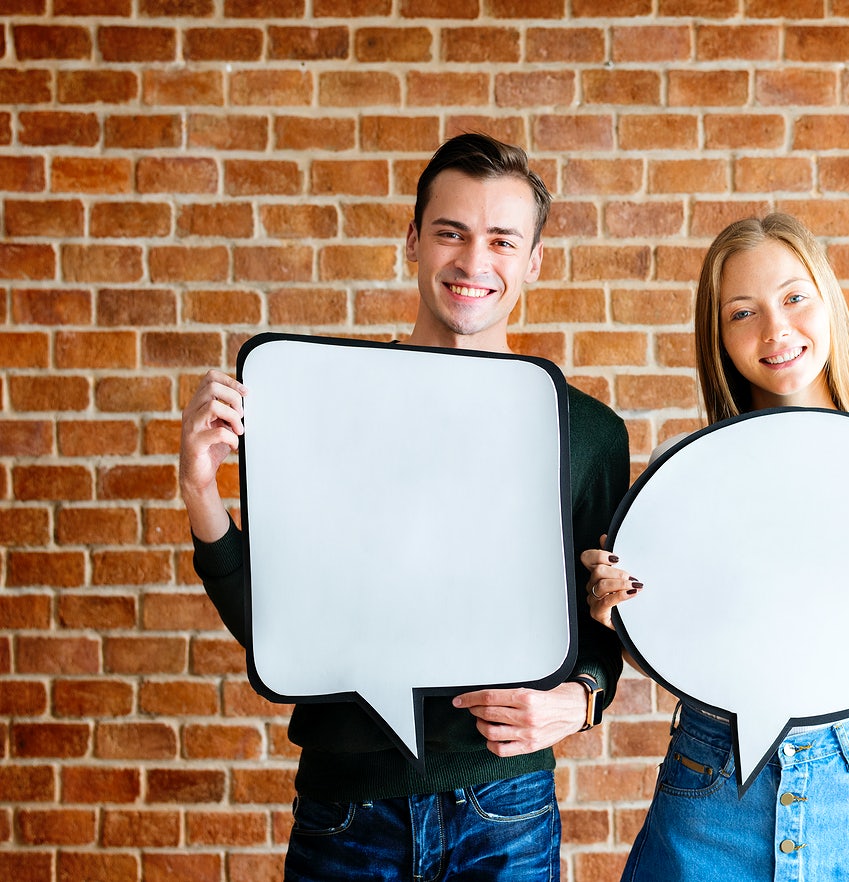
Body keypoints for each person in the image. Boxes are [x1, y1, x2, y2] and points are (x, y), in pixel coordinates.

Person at [179, 133, 629, 881]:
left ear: (533, 262)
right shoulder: (321, 403)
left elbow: (603, 622)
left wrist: (582, 700)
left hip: (504, 811)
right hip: (347, 811)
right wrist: (201, 493)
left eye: (501, 240)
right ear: (414, 240)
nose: (473, 262)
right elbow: (276, 631)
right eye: (451, 232)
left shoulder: (588, 434)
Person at [581, 213, 849, 881]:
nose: (776, 330)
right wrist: (620, 617)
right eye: (742, 313)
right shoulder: (685, 477)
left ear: (827, 303)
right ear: (718, 336)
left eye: (794, 298)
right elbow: (680, 657)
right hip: (710, 794)